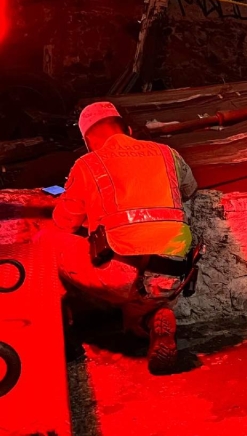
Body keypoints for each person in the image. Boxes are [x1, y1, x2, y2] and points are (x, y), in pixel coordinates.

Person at [40, 101, 198, 373]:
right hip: (174, 273)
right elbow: (189, 190)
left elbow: (64, 223)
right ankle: (155, 319)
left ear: (89, 141)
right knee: (141, 300)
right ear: (127, 129)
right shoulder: (167, 153)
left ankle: (64, 336)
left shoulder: (88, 163)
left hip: (120, 273)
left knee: (46, 242)